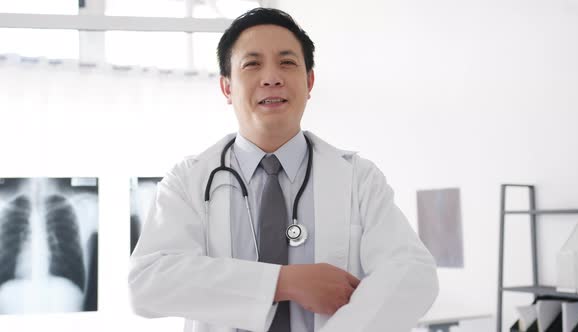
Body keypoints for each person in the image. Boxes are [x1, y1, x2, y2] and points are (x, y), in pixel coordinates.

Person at [128, 7, 438, 332]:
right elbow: (148, 284)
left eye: (287, 62)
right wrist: (284, 282)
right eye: (252, 64)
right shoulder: (188, 181)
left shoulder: (358, 179)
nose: (272, 77)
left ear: (309, 82)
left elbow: (411, 273)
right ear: (227, 88)